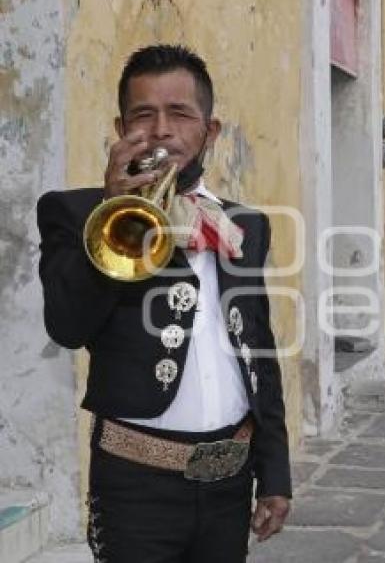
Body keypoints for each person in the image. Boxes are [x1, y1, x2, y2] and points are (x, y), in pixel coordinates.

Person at [37, 44, 291, 562]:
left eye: (180, 113)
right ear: (120, 127)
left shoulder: (244, 226)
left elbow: (259, 350)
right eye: (142, 115)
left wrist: (275, 472)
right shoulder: (74, 212)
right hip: (134, 489)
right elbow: (67, 326)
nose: (161, 130)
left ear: (209, 131)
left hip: (229, 484)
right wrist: (118, 214)